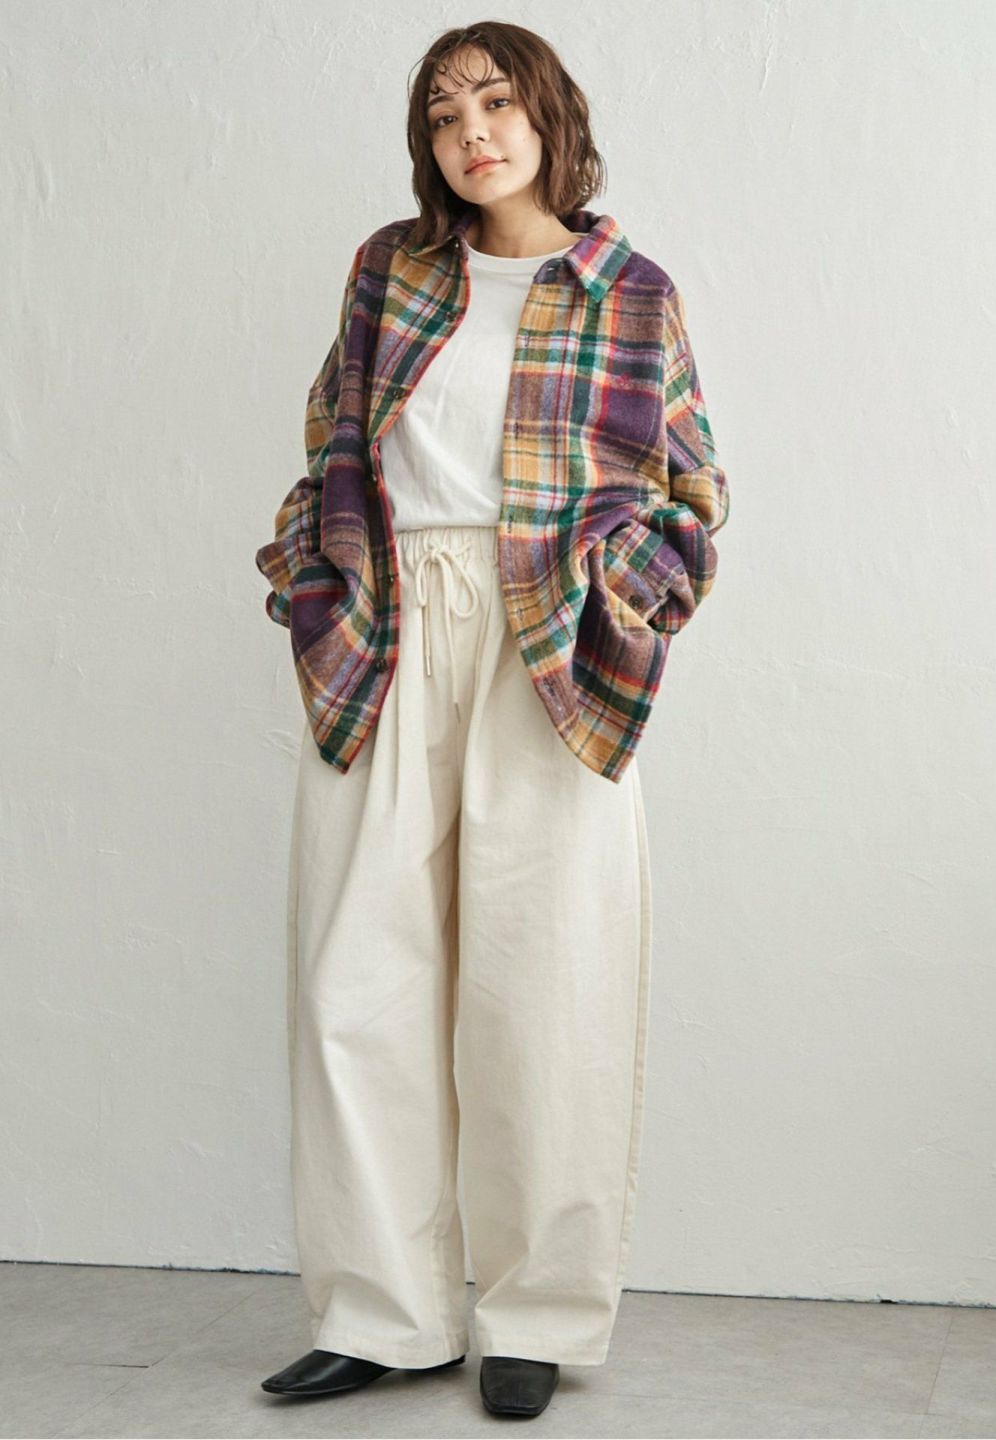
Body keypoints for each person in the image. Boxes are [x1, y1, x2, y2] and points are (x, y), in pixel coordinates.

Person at [256, 19, 728, 1420]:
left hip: (551, 636)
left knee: (548, 980)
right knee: (357, 977)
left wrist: (621, 601)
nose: (473, 130)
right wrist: (315, 582)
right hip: (394, 620)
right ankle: (384, 1312)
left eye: (499, 102)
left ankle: (534, 1313)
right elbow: (333, 443)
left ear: (549, 119)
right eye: (446, 111)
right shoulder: (391, 272)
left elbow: (694, 494)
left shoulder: (630, 293)